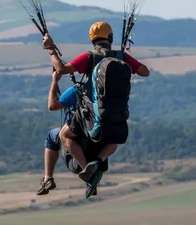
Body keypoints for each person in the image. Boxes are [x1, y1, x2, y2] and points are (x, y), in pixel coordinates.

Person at [42, 21, 150, 185]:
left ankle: (87, 171)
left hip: (92, 116)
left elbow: (61, 69)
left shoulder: (89, 57)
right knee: (114, 137)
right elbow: (145, 72)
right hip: (116, 114)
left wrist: (51, 50)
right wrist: (123, 58)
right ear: (110, 37)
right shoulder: (121, 57)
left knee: (64, 135)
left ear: (92, 40)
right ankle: (99, 160)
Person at [36, 70, 108, 197]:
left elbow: (52, 106)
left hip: (78, 134)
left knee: (51, 137)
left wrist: (54, 81)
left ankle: (48, 178)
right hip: (101, 139)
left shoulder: (78, 90)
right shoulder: (111, 94)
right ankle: (98, 161)